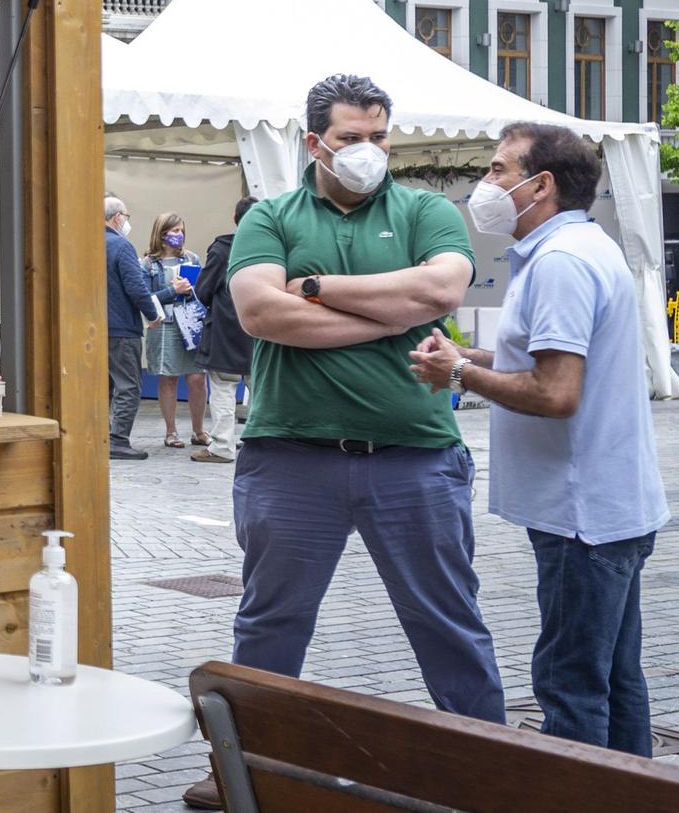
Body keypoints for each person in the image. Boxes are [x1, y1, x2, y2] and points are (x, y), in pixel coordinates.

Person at [181, 73, 501, 811]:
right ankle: (241, 765)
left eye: (378, 136)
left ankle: (489, 761)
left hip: (415, 457)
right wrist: (393, 314)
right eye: (351, 137)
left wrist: (317, 288)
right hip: (291, 458)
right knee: (270, 624)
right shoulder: (271, 215)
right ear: (313, 141)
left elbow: (443, 292)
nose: (367, 151)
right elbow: (262, 311)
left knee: (449, 621)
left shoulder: (426, 210)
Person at [408, 123, 668, 755]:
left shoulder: (558, 263)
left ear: (540, 184)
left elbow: (556, 392)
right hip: (609, 509)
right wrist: (469, 352)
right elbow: (545, 356)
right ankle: (638, 797)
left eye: (499, 170)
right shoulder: (582, 246)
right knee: (615, 677)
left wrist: (461, 373)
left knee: (570, 684)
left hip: (581, 517)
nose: (485, 184)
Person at [190, 197, 258, 464]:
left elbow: (203, 290)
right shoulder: (273, 246)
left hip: (225, 331)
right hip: (259, 329)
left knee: (223, 390)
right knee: (259, 391)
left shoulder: (222, 247)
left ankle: (221, 447)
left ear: (235, 218)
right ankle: (257, 446)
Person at [142, 214, 207, 449]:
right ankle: (171, 431)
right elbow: (146, 300)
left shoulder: (192, 258)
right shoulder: (148, 264)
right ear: (161, 234)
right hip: (165, 325)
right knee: (168, 378)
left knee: (198, 378)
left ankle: (199, 430)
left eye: (181, 230)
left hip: (189, 323)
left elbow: (202, 292)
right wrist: (173, 290)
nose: (179, 235)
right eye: (174, 230)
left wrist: (191, 289)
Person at [105, 195, 161, 460]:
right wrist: (152, 314)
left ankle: (99, 434)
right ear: (117, 217)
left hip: (94, 329)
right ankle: (118, 441)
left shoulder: (87, 244)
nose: (127, 222)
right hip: (122, 329)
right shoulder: (121, 245)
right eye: (126, 217)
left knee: (101, 386)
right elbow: (136, 287)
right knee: (128, 386)